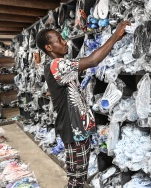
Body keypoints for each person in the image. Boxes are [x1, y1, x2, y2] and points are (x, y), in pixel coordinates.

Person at [36, 21, 130, 188]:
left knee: (79, 175)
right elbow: (93, 61)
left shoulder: (62, 64)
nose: (64, 42)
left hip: (78, 129)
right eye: (59, 40)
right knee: (77, 180)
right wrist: (116, 36)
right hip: (73, 131)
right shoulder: (57, 64)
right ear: (49, 48)